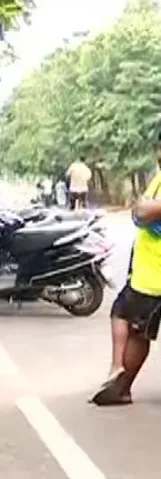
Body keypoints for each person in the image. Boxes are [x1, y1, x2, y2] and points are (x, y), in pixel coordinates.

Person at [91, 132, 161, 406]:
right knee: (133, 325)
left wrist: (143, 209)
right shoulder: (157, 177)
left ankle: (120, 379)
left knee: (130, 322)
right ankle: (120, 380)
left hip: (154, 275)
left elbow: (143, 212)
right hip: (148, 270)